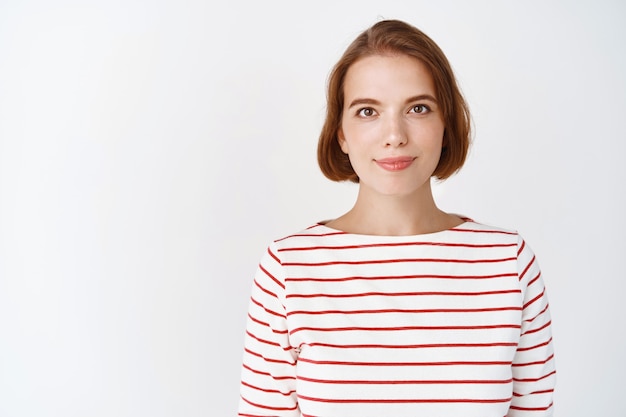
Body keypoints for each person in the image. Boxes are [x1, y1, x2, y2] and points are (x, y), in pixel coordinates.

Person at [237, 19, 555, 417]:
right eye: (367, 111)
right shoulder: (288, 268)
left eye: (418, 108)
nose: (394, 135)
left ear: (446, 125)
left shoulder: (508, 262)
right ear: (341, 134)